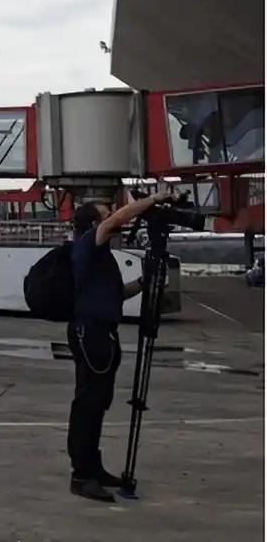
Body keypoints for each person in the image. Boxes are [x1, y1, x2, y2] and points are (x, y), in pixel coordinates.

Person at [65, 191, 166, 502]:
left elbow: (114, 294)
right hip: (90, 332)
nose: (113, 216)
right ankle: (81, 476)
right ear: (95, 224)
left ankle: (93, 468)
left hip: (103, 333)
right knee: (88, 404)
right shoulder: (88, 242)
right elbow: (116, 220)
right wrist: (155, 198)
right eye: (106, 214)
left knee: (98, 403)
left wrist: (143, 283)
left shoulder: (101, 255)